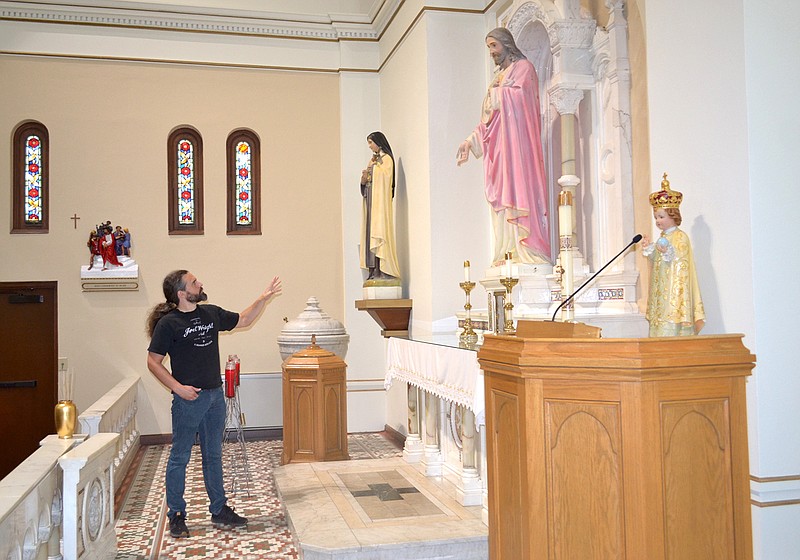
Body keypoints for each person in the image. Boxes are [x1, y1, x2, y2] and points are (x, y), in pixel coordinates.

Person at [146, 270, 282, 538]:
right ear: (182, 293)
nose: (200, 283)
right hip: (189, 400)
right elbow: (153, 361)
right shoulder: (169, 324)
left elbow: (243, 319)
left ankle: (218, 509)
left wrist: (263, 299)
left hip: (214, 397)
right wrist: (178, 388)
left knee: (213, 455)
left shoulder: (210, 314)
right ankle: (176, 513)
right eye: (194, 282)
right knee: (179, 458)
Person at [457, 27, 551, 265]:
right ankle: (507, 251)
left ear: (506, 45)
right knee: (501, 199)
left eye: (493, 46)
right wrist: (469, 141)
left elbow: (524, 101)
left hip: (518, 149)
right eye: (489, 47)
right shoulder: (497, 78)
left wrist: (499, 96)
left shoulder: (524, 69)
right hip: (499, 150)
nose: (491, 52)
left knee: (518, 193)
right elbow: (487, 122)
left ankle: (527, 251)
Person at [641, 174, 705, 336]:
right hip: (661, 294)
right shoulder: (663, 238)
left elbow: (681, 263)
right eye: (656, 217)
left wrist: (668, 252)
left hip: (674, 295)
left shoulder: (680, 236)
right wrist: (650, 249)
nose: (658, 221)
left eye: (661, 216)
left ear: (673, 215)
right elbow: (657, 261)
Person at [359, 131, 401, 282]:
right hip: (371, 202)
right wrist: (364, 180)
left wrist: (374, 170)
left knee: (380, 233)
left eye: (371, 142)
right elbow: (367, 184)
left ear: (378, 142)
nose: (369, 146)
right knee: (370, 235)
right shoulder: (374, 161)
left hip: (380, 205)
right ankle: (374, 271)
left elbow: (386, 178)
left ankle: (384, 269)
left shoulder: (387, 159)